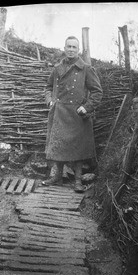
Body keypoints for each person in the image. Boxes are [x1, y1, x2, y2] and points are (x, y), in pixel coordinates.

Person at [42, 36, 103, 192]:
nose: (71, 49)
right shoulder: (57, 68)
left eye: (74, 47)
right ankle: (57, 177)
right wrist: (50, 101)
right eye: (68, 46)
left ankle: (77, 181)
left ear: (78, 50)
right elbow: (48, 87)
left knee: (78, 148)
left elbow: (97, 92)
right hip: (60, 113)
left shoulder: (86, 69)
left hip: (78, 114)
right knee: (58, 145)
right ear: (64, 48)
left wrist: (87, 107)